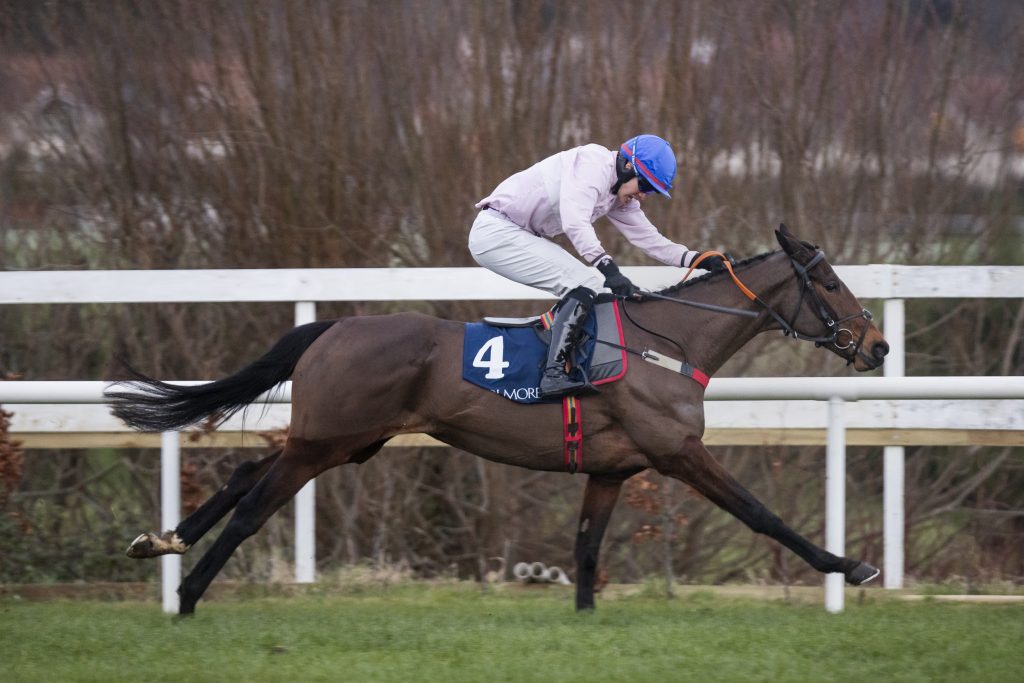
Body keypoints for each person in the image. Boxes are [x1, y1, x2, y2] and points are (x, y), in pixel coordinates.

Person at [469, 134, 725, 399]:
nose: (645, 195)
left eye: (651, 191)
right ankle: (553, 373)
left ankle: (561, 365)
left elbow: (650, 240)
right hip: (496, 233)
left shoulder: (619, 193)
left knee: (588, 285)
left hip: (516, 233)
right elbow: (575, 222)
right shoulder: (592, 165)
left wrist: (697, 259)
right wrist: (609, 269)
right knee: (585, 283)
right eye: (646, 185)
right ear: (628, 166)